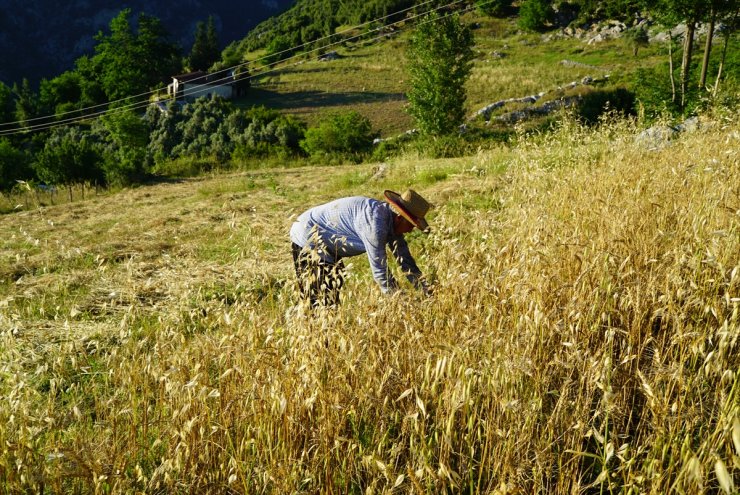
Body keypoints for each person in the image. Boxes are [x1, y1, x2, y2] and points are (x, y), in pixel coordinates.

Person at [290, 189, 433, 307]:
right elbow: (381, 273)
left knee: (334, 286)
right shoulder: (375, 226)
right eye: (410, 225)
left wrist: (428, 292)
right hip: (307, 234)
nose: (410, 231)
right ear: (400, 218)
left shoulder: (392, 222)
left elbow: (406, 263)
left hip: (325, 237)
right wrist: (404, 304)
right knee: (322, 300)